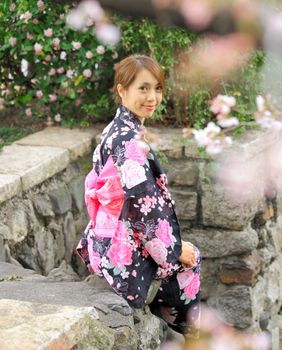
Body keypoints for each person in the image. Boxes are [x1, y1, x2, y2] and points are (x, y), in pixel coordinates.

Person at [76, 55, 201, 336]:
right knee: (191, 260)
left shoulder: (116, 130)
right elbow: (143, 209)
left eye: (157, 88)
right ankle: (190, 336)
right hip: (122, 258)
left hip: (105, 241)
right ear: (122, 90)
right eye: (143, 88)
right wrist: (175, 250)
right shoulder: (129, 141)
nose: (152, 97)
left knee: (182, 250)